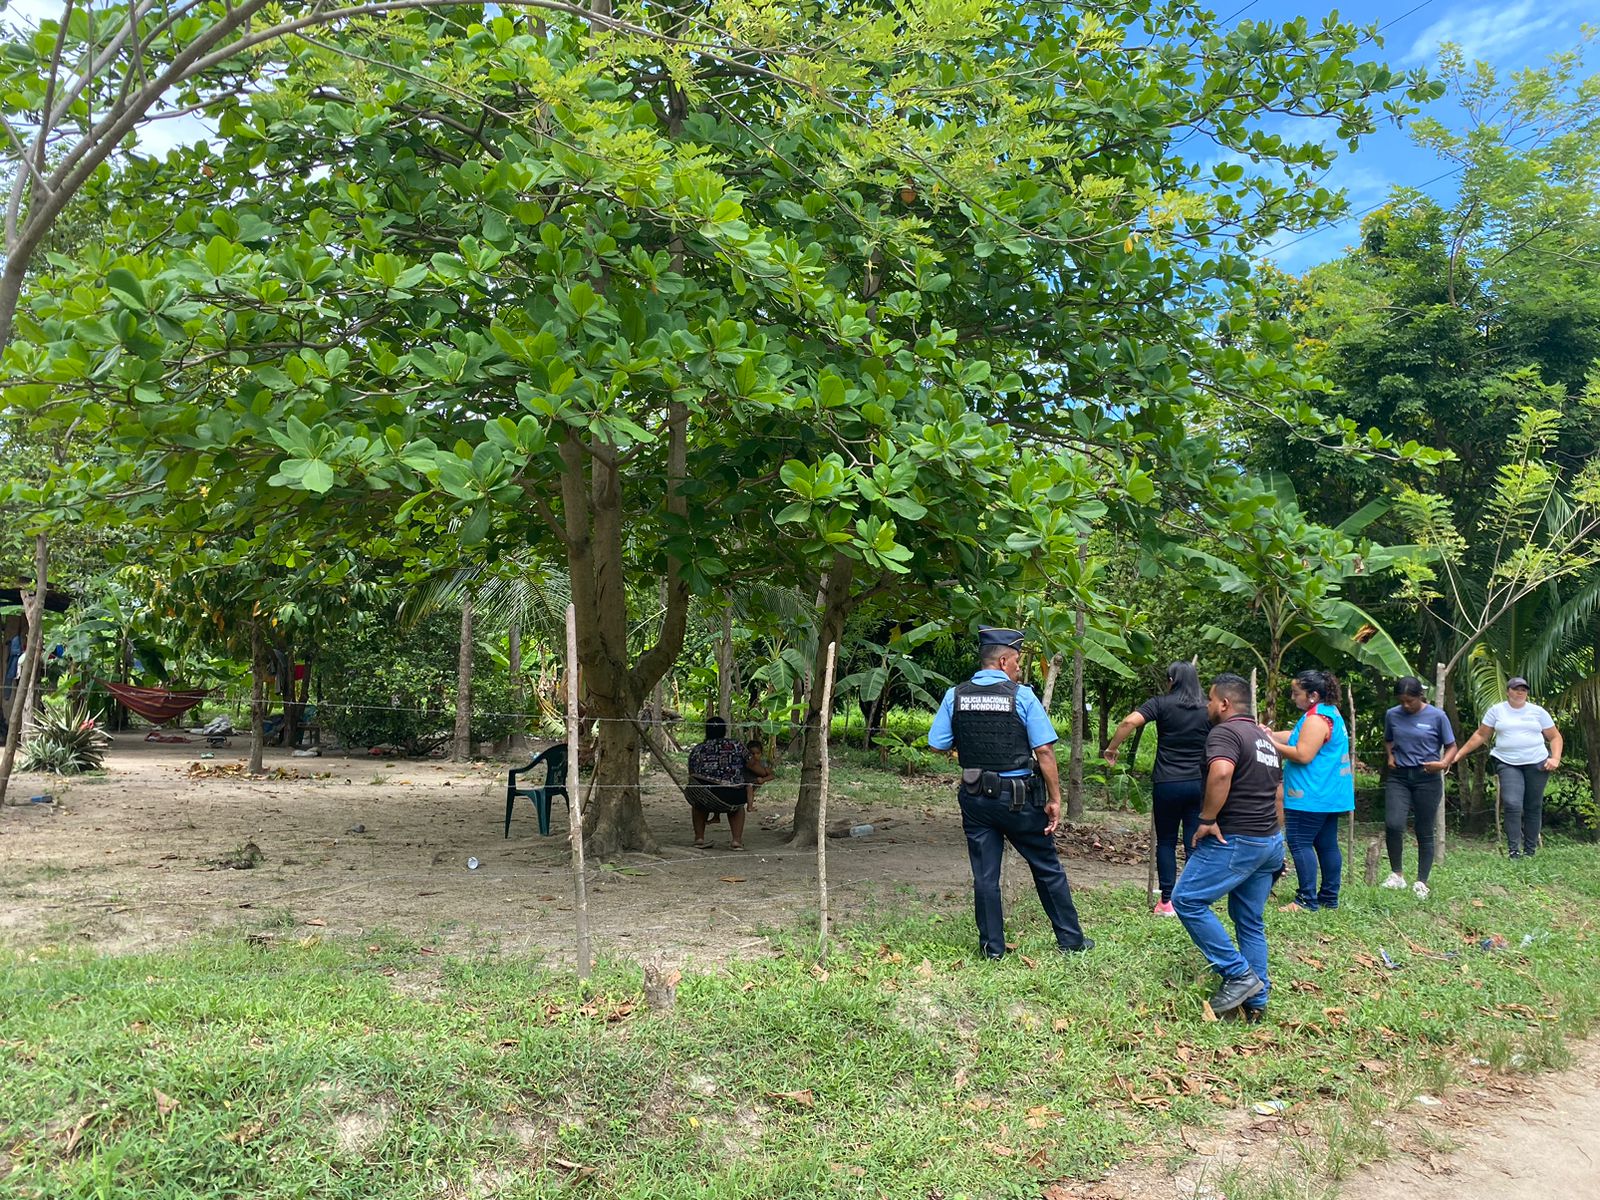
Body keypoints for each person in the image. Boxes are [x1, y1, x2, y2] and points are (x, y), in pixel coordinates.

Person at [928, 626, 1092, 960]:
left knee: (985, 876)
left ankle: (992, 949)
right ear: (1004, 661)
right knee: (1046, 867)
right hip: (1019, 802)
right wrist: (1055, 799)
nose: (1018, 669)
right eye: (1016, 662)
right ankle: (1071, 941)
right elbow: (1044, 751)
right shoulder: (1022, 696)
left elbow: (937, 744)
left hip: (975, 799)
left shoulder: (955, 695)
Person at [1171, 673, 1284, 1020]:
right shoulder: (1264, 739)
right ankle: (1256, 1002)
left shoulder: (1225, 733)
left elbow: (1221, 772)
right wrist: (1274, 836)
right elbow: (1279, 793)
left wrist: (1207, 818)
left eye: (1210, 699)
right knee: (1249, 919)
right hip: (1268, 841)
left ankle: (1238, 974)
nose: (1207, 705)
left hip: (1237, 838)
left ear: (1224, 703)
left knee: (1186, 900)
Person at [1104, 661, 1211, 916]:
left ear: (1172, 680)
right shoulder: (1208, 708)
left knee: (1166, 841)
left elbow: (1129, 722)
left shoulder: (1161, 703)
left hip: (1167, 783)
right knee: (1194, 841)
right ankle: (1193, 896)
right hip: (1199, 783)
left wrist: (1112, 748)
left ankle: (1167, 901)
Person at [1266, 668, 1354, 912]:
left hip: (1310, 795)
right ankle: (1328, 897)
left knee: (1299, 842)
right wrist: (1272, 734)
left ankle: (1305, 900)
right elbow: (1298, 737)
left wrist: (1270, 744)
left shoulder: (1316, 719)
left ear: (1313, 695)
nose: (1293, 697)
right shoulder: (1328, 713)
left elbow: (1303, 754)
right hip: (1330, 794)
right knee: (1326, 844)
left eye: (1296, 693)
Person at [1448, 676, 1562, 858]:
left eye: (1523, 690)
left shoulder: (1537, 712)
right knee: (1512, 803)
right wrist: (1459, 754)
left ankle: (1530, 851)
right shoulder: (1497, 711)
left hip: (1537, 762)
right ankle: (1514, 850)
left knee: (1533, 806)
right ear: (1508, 691)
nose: (1520, 693)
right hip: (1507, 762)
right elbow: (1481, 735)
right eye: (1516, 689)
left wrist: (1555, 758)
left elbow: (1555, 737)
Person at [1382, 677, 1455, 898]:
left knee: (1424, 829)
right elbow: (1388, 739)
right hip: (1399, 776)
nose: (1406, 705)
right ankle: (1397, 874)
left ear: (1420, 696)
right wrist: (1390, 756)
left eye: (1410, 701)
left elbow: (1451, 745)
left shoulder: (1437, 716)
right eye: (1401, 701)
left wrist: (1443, 764)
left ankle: (1422, 881)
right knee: (1393, 823)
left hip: (1427, 777)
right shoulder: (1392, 715)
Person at [687, 716, 754, 850]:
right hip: (733, 795)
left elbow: (692, 772)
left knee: (698, 801)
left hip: (705, 794)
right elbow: (751, 764)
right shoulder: (736, 745)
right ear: (724, 730)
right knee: (737, 807)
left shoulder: (697, 749)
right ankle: (736, 840)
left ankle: (699, 838)